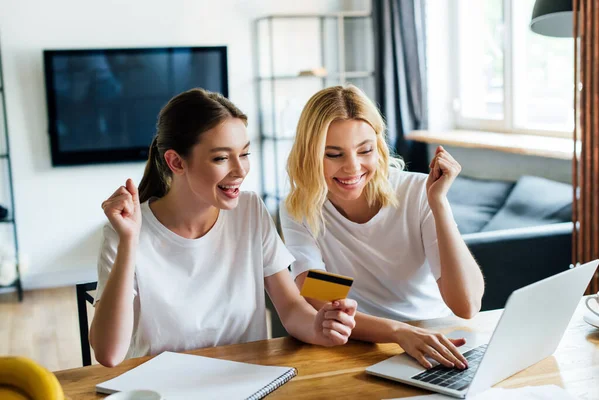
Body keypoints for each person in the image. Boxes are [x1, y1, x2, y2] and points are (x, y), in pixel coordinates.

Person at [89, 88, 357, 368]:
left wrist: (319, 327)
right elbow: (109, 354)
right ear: (176, 162)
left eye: (244, 154)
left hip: (247, 384)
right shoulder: (125, 232)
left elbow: (290, 307)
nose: (240, 170)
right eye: (221, 158)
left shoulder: (250, 210)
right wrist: (130, 241)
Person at [280, 85, 485, 370]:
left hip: (437, 339)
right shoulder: (300, 208)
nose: (352, 167)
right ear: (310, 154)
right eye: (334, 154)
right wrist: (397, 332)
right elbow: (318, 295)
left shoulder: (417, 191)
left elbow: (467, 305)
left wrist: (438, 204)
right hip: (362, 344)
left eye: (365, 150)